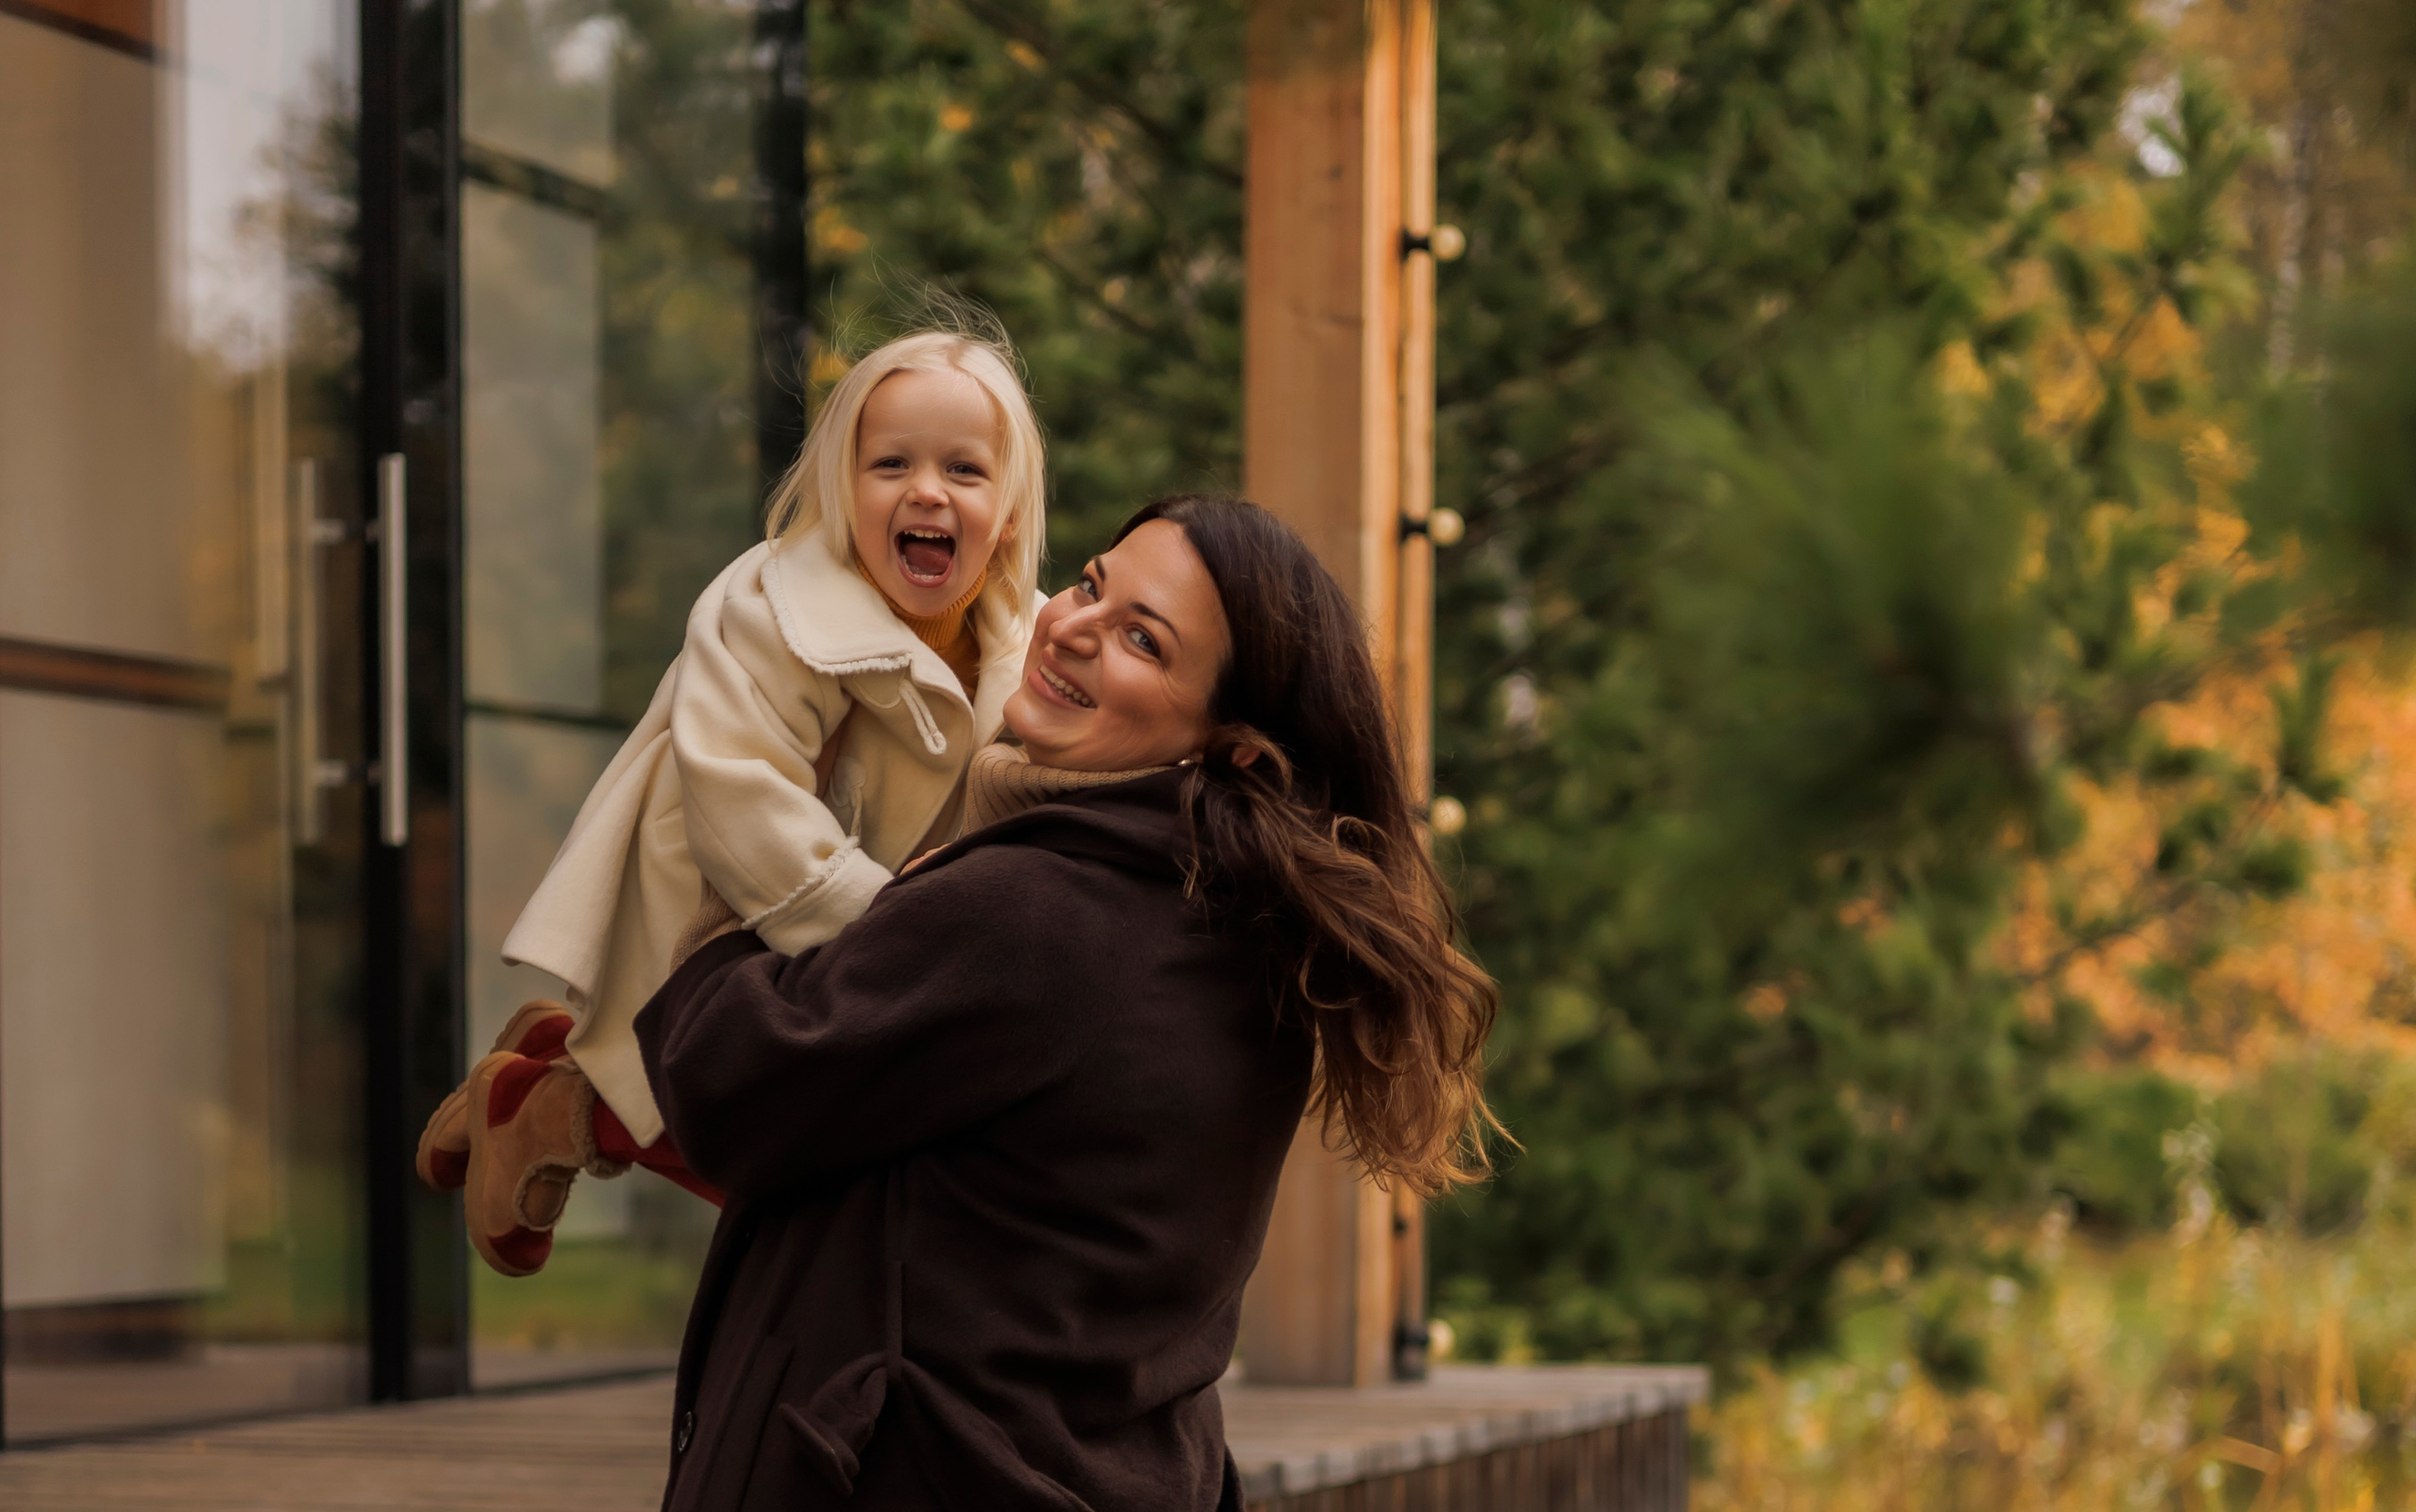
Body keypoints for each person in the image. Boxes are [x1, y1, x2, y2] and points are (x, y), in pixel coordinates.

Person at [636, 496, 1502, 1510]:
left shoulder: (1039, 913)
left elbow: (727, 1084)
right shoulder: (1228, 932)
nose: (1074, 627)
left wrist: (741, 866)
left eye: (1142, 639)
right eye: (1092, 585)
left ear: (1232, 746)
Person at [414, 326, 1050, 1276]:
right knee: (748, 1143)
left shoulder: (1028, 645)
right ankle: (542, 1107)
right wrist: (900, 942)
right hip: (726, 900)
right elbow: (744, 807)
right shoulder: (767, 612)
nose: (927, 490)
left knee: (837, 1162)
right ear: (841, 491)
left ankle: (555, 1065)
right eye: (890, 464)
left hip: (881, 935)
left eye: (964, 468)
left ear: (1004, 517)